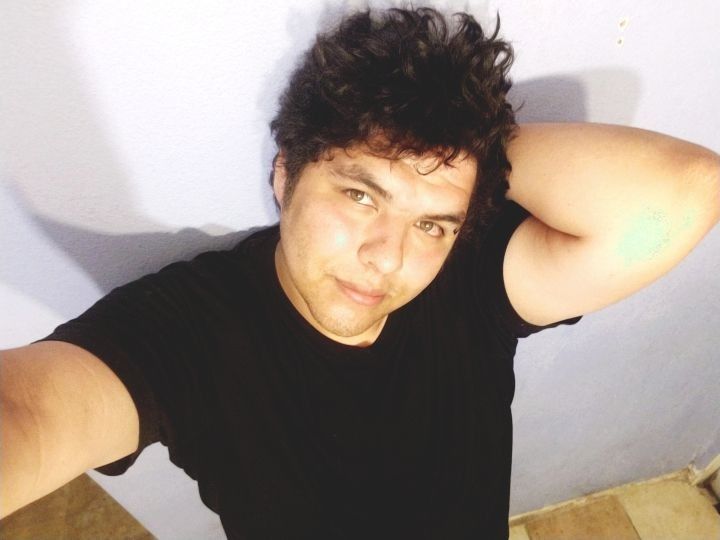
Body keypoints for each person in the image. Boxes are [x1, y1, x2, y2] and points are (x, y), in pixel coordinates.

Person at [1, 5, 718, 539]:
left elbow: (687, 192)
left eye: (431, 222)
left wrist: (464, 149)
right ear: (285, 173)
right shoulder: (191, 332)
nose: (389, 256)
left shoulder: (468, 278)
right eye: (361, 195)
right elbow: (27, 413)